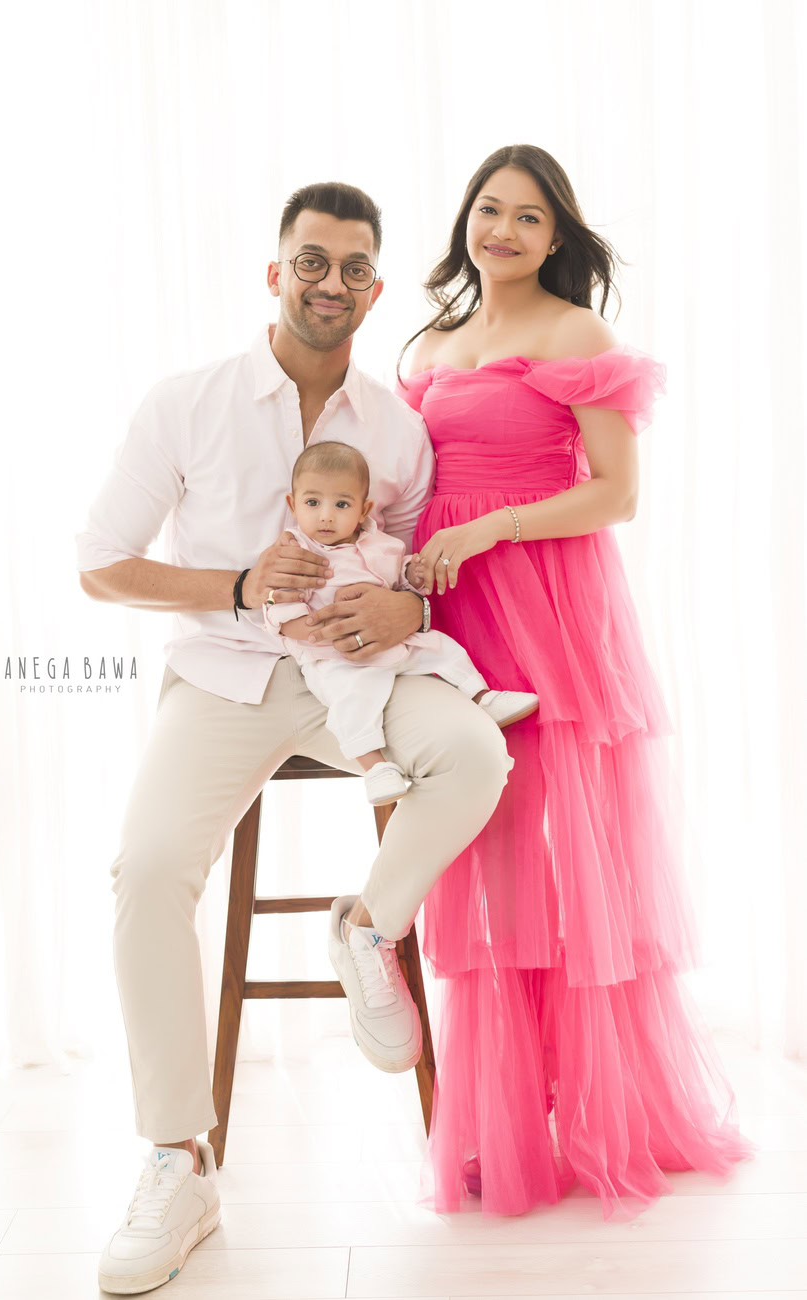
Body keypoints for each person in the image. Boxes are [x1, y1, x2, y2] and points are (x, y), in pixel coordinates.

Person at [76, 181, 514, 1294]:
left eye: (355, 266)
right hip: (225, 676)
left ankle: (368, 927)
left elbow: (419, 571)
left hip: (355, 676)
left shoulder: (398, 428)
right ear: (275, 274)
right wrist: (233, 581)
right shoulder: (188, 401)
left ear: (375, 286)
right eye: (311, 262)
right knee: (148, 869)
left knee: (475, 752)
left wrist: (407, 611)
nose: (332, 282)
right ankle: (179, 1160)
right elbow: (100, 561)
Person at [394, 143, 759, 1222]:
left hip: (546, 605)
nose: (503, 230)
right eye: (490, 210)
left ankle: (599, 1109)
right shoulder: (432, 340)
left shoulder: (575, 331)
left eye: (529, 218)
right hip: (453, 617)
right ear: (467, 218)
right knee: (484, 853)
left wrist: (498, 524)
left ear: (559, 239)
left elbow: (616, 494)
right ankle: (504, 1115)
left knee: (573, 853)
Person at [250, 438, 540, 805]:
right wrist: (312, 631)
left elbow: (398, 578)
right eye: (312, 503)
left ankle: (481, 696)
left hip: (395, 640)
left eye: (341, 504)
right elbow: (281, 603)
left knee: (443, 648)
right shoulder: (297, 550)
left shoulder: (380, 543)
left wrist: (414, 573)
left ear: (363, 509)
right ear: (293, 505)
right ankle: (375, 767)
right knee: (353, 701)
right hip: (335, 654)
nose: (325, 516)